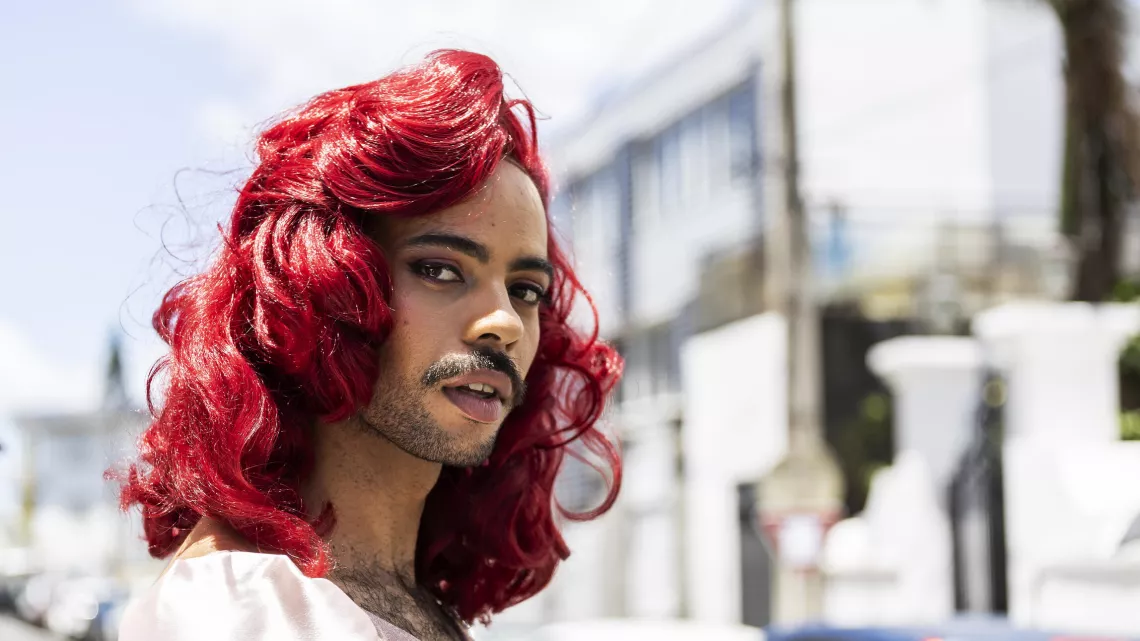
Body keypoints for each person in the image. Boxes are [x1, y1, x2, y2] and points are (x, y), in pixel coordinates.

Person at [115, 49, 622, 641]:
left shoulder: (411, 603)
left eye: (526, 290)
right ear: (320, 285)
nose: (504, 322)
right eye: (440, 270)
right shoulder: (236, 609)